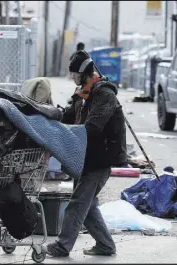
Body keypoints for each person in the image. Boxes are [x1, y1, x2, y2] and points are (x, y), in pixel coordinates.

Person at [43, 50, 126, 257]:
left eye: (74, 74)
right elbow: (66, 117)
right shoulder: (85, 94)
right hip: (87, 158)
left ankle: (62, 246)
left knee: (78, 204)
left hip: (100, 160)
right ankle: (105, 245)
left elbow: (93, 128)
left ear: (84, 73)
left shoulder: (104, 95)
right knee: (87, 206)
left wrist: (67, 134)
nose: (72, 78)